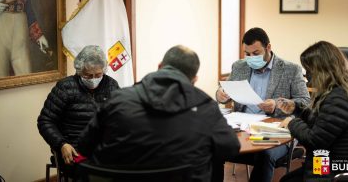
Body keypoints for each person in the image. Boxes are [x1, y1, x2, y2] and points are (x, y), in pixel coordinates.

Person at [77, 45, 241, 182]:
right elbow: (230, 148)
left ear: (160, 66)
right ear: (194, 79)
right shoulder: (206, 106)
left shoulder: (118, 99)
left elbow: (84, 146)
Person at [215, 27, 310, 182]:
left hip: (277, 130)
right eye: (247, 54)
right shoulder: (239, 66)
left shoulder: (291, 69)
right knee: (213, 148)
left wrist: (278, 104)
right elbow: (225, 94)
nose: (251, 57)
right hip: (242, 127)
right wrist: (221, 95)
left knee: (264, 154)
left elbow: (305, 103)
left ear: (268, 48)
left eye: (256, 53)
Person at [279, 41, 348, 182]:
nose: (307, 76)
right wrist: (297, 109)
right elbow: (323, 122)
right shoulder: (340, 90)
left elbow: (315, 141)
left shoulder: (339, 98)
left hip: (337, 170)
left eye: (309, 71)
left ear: (322, 71)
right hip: (333, 162)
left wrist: (292, 123)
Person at [37, 45, 120, 177]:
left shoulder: (111, 85)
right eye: (88, 75)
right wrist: (62, 144)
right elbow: (45, 121)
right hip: (75, 149)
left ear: (104, 71)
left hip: (104, 147)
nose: (93, 79)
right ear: (79, 71)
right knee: (95, 174)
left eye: (98, 75)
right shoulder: (65, 88)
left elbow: (119, 118)